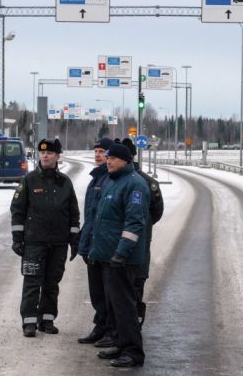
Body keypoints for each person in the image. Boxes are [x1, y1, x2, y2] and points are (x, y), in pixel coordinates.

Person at [10, 138, 80, 337]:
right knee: (32, 282)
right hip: (34, 243)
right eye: (42, 153)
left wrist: (74, 240)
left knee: (52, 283)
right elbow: (17, 210)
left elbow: (73, 213)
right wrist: (17, 238)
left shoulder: (65, 183)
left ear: (58, 156)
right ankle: (29, 322)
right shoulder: (30, 180)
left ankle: (47, 320)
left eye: (50, 153)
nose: (45, 155)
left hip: (58, 243)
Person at [89, 143, 149, 368]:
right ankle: (120, 343)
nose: (108, 161)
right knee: (114, 305)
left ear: (125, 160)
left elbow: (134, 223)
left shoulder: (134, 185)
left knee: (124, 307)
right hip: (107, 256)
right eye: (107, 158)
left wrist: (121, 253)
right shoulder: (112, 182)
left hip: (122, 259)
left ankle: (133, 352)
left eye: (113, 158)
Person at [121, 137, 164, 328]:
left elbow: (156, 212)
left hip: (140, 244)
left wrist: (142, 226)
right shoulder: (112, 180)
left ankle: (135, 323)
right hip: (116, 244)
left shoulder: (147, 183)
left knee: (136, 283)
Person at [77, 137, 113, 346]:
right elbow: (90, 216)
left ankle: (110, 330)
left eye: (102, 151)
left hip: (104, 246)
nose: (98, 155)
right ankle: (100, 326)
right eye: (96, 151)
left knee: (109, 292)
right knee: (96, 290)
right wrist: (83, 241)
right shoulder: (95, 179)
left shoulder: (111, 179)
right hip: (92, 244)